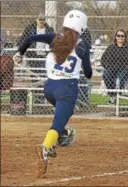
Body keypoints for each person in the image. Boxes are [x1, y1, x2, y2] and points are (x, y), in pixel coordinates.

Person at [13, 10, 92, 178]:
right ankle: (46, 147)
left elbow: (29, 39)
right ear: (82, 27)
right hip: (67, 89)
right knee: (58, 121)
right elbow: (89, 73)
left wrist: (20, 53)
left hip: (49, 88)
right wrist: (83, 61)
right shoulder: (82, 45)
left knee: (64, 115)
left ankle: (63, 134)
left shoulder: (55, 37)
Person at [17, 13, 55, 104]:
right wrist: (21, 51)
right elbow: (22, 40)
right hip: (33, 55)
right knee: (34, 77)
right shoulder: (30, 29)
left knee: (43, 77)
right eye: (40, 19)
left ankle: (42, 98)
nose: (42, 21)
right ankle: (38, 98)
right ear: (36, 20)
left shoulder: (49, 30)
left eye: (43, 20)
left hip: (44, 57)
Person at [100, 29, 128, 104]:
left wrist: (126, 68)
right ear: (116, 37)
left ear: (125, 37)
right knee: (106, 75)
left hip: (124, 70)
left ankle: (117, 95)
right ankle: (112, 95)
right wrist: (107, 67)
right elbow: (103, 59)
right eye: (118, 35)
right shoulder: (111, 47)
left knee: (120, 79)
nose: (120, 37)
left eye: (122, 36)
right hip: (111, 69)